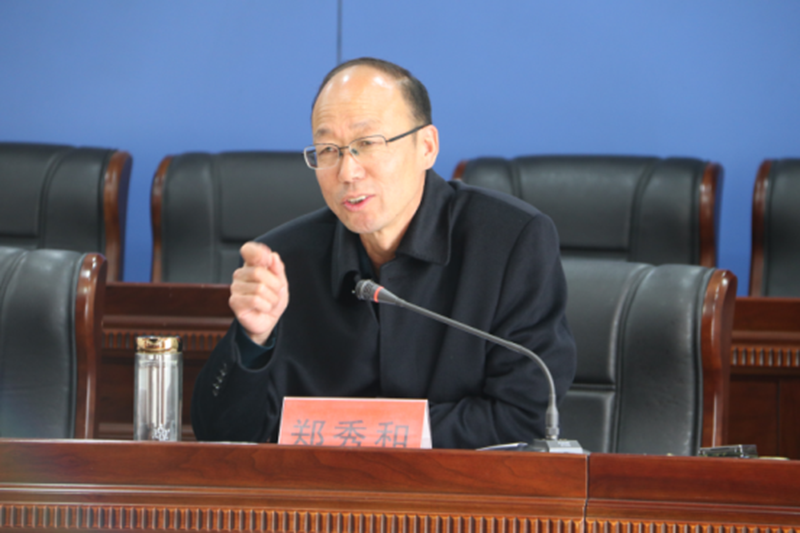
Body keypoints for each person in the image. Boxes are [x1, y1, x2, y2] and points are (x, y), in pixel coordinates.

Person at [191, 57, 576, 449]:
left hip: (459, 486)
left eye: (367, 144)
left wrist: (375, 435)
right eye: (328, 150)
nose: (347, 172)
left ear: (427, 147)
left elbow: (524, 415)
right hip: (318, 489)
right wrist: (253, 341)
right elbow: (221, 435)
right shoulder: (284, 261)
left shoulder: (509, 242)